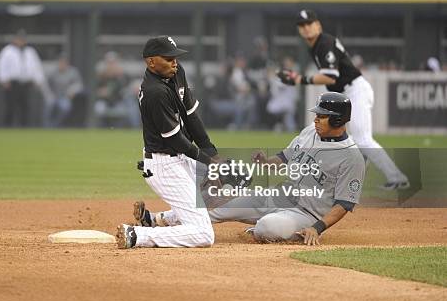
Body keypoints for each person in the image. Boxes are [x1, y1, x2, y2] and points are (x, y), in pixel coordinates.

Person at [135, 92, 366, 246]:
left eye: (322, 116)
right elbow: (285, 157)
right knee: (218, 202)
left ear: (337, 121)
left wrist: (317, 227)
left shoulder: (351, 157)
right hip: (280, 196)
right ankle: (156, 219)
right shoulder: (309, 132)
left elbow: (344, 204)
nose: (316, 119)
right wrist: (266, 162)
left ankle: (286, 230)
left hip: (307, 214)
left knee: (266, 227)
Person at [277, 9, 409, 190]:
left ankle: (397, 177)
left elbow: (330, 77)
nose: (306, 28)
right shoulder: (317, 46)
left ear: (318, 25)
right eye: (302, 25)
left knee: (362, 140)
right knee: (351, 142)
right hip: (347, 94)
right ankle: (353, 182)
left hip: (355, 91)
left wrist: (300, 79)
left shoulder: (324, 43)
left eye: (309, 24)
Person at [116, 36, 225, 249]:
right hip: (165, 165)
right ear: (151, 62)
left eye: (175, 57)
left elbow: (192, 117)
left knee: (233, 180)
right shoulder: (154, 93)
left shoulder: (176, 72)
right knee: (203, 234)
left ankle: (155, 219)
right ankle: (137, 235)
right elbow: (176, 140)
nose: (174, 62)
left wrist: (212, 155)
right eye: (168, 58)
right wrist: (209, 163)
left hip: (182, 157)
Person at [0, 29, 49, 127]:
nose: (21, 41)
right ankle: (7, 127)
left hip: (25, 83)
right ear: (15, 39)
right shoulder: (8, 51)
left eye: (23, 39)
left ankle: (24, 128)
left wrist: (38, 80)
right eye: (19, 39)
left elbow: (36, 66)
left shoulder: (30, 51)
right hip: (12, 83)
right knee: (10, 106)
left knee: (25, 107)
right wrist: (3, 80)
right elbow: (1, 66)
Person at [45, 55, 84, 127]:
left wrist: (72, 91)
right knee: (48, 105)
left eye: (64, 63)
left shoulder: (73, 72)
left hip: (65, 97)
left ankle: (55, 125)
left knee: (65, 107)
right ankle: (47, 126)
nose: (62, 64)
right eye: (60, 62)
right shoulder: (53, 72)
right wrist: (49, 94)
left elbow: (79, 84)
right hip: (53, 96)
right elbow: (46, 85)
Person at [267, 57, 299, 132]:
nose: (287, 64)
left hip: (290, 98)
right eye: (286, 63)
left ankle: (289, 129)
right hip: (283, 98)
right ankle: (282, 127)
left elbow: (283, 85)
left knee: (289, 117)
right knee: (284, 115)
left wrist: (272, 78)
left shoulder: (294, 72)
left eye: (289, 63)